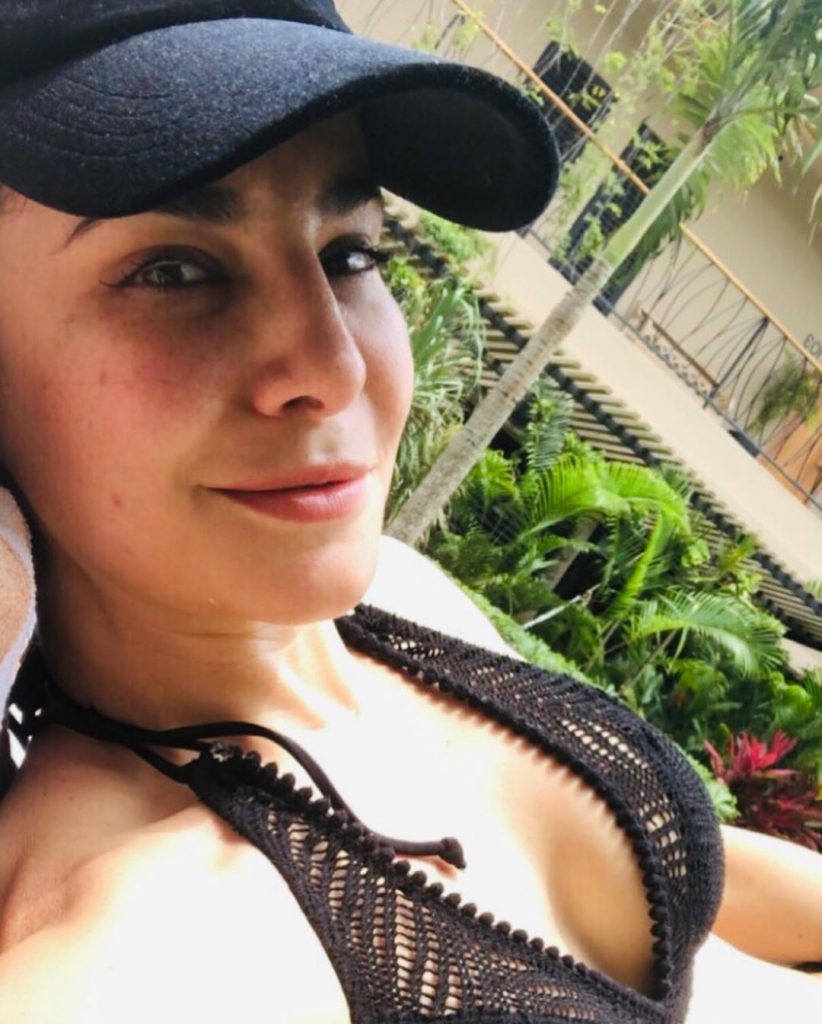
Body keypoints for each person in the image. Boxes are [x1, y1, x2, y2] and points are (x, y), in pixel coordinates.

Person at [0, 3, 819, 1022]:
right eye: (176, 272)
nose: (335, 365)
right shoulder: (146, 942)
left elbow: (682, 881)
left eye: (349, 252)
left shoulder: (395, 595)